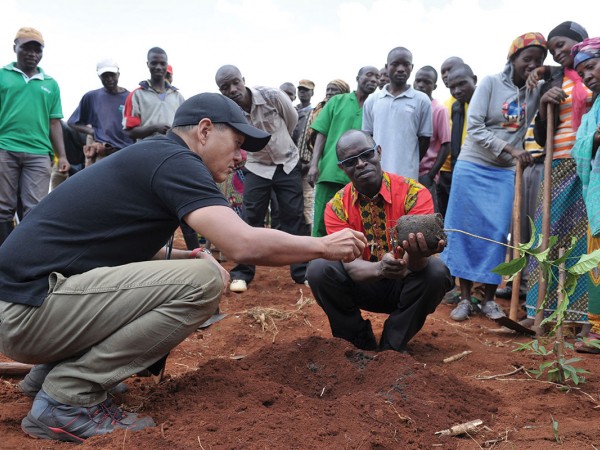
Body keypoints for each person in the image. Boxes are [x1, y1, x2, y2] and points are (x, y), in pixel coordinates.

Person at [0, 93, 367, 443]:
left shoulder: (155, 156)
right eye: (238, 143)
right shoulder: (176, 160)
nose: (241, 157)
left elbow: (115, 251)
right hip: (29, 313)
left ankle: (51, 374)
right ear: (205, 130)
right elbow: (242, 243)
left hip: (28, 307)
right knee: (204, 281)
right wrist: (323, 246)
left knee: (195, 270)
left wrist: (184, 257)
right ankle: (69, 395)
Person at [306, 129, 452, 352]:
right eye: (351, 161)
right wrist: (381, 267)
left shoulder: (414, 193)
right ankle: (357, 343)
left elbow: (417, 266)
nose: (361, 164)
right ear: (342, 168)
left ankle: (392, 346)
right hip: (364, 280)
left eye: (366, 154)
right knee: (318, 269)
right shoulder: (336, 207)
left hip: (406, 283)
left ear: (379, 152)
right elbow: (351, 267)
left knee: (436, 272)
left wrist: (416, 256)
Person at [442, 32, 547, 322]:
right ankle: (465, 298)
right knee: (465, 231)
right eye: (528, 59)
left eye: (538, 60)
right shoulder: (489, 83)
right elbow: (475, 128)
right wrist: (511, 150)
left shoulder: (534, 90)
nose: (532, 64)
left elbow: (564, 70)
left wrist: (542, 73)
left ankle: (488, 298)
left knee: (497, 235)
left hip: (502, 174)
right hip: (473, 166)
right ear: (512, 58)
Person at [521, 22, 594, 332]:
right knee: (546, 237)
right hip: (558, 165)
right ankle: (539, 311)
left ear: (580, 42)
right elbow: (540, 135)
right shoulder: (552, 79)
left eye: (562, 44)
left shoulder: (594, 73)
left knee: (583, 244)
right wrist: (543, 105)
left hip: (591, 168)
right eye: (553, 50)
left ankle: (579, 318)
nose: (558, 52)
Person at [215, 65, 307, 292]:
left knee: (293, 217)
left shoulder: (272, 95)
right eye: (225, 87)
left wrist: (280, 145)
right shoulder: (228, 111)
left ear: (243, 79)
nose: (233, 89)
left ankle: (302, 271)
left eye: (236, 82)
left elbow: (292, 119)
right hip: (257, 167)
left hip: (287, 163)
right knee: (250, 218)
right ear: (220, 91)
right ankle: (242, 273)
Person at [0, 27, 69, 245]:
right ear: (15, 48)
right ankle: (4, 256)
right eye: (26, 48)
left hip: (39, 153)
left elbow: (54, 121)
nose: (32, 54)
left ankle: (27, 255)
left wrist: (63, 156)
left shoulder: (50, 83)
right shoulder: (3, 76)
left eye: (37, 50)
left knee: (35, 208)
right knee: (3, 207)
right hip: (5, 148)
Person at [308, 67, 380, 237]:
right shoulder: (337, 101)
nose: (374, 80)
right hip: (331, 172)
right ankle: (317, 262)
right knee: (321, 223)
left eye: (377, 77)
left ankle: (351, 262)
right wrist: (314, 165)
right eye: (369, 75)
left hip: (362, 176)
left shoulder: (377, 106)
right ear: (358, 77)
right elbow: (321, 133)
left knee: (358, 223)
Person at [438, 63, 485, 306]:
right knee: (457, 230)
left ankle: (484, 292)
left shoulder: (485, 101)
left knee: (486, 231)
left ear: (474, 78)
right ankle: (460, 290)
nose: (455, 88)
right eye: (450, 83)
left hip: (486, 172)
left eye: (460, 83)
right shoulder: (451, 106)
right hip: (456, 173)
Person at [363, 47, 432, 180]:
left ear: (412, 67)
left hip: (407, 176)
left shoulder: (422, 100)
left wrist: (409, 163)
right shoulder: (372, 101)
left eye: (406, 64)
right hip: (378, 175)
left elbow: (425, 139)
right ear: (386, 66)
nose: (401, 69)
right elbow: (368, 137)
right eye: (395, 64)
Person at [571, 36, 600, 352]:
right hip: (597, 198)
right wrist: (594, 138)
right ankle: (598, 330)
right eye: (582, 72)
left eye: (591, 66)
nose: (587, 75)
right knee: (597, 262)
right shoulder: (592, 111)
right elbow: (578, 146)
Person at [67, 58, 134, 166]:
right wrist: (93, 132)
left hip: (126, 152)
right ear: (99, 76)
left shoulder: (130, 97)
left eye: (112, 75)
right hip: (103, 153)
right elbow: (73, 122)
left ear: (118, 74)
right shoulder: (91, 97)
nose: (109, 79)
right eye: (105, 76)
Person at [123, 47, 185, 141]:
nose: (158, 67)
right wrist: (154, 128)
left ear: (166, 65)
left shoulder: (177, 97)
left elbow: (184, 129)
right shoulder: (137, 95)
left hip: (173, 151)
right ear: (148, 64)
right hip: (146, 151)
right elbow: (130, 132)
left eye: (162, 63)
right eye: (154, 63)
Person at [414, 65, 451, 213]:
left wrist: (430, 175)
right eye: (418, 81)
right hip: (405, 171)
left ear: (434, 86)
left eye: (427, 82)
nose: (421, 85)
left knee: (425, 218)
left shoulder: (439, 110)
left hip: (425, 175)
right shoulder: (409, 106)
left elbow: (445, 145)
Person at [437, 56, 465, 217]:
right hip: (445, 171)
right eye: (443, 72)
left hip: (468, 168)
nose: (446, 75)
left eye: (450, 69)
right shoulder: (444, 106)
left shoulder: (475, 100)